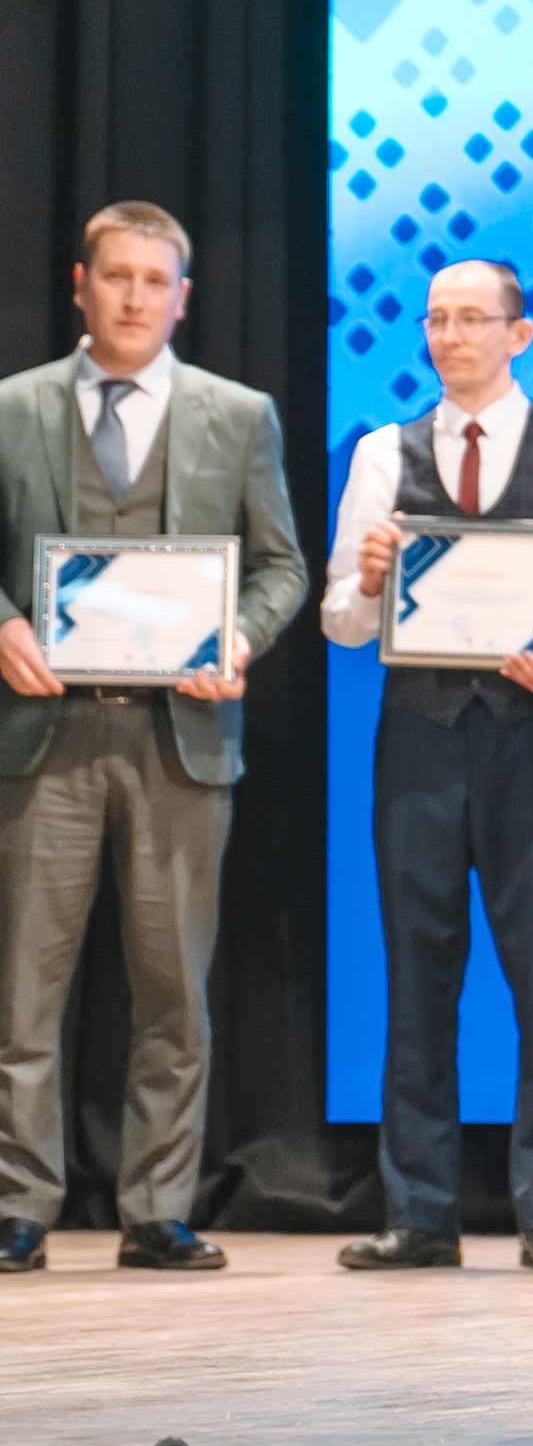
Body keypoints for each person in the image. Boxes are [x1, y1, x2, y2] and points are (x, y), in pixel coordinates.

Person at [321, 258, 533, 1273]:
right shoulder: (383, 452)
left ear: (519, 332)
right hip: (418, 733)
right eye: (437, 319)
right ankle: (419, 1211)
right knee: (416, 971)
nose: (450, 335)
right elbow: (340, 619)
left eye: (472, 317)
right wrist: (365, 580)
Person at [0, 201, 307, 1275]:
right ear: (80, 285)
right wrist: (3, 624)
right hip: (46, 736)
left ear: (184, 297)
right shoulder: (12, 408)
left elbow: (281, 566)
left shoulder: (239, 415)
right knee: (24, 993)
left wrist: (241, 634)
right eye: (117, 276)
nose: (134, 298)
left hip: (181, 739)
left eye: (154, 280)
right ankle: (18, 1204)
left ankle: (157, 1208)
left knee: (174, 990)